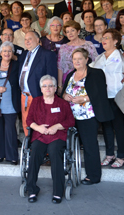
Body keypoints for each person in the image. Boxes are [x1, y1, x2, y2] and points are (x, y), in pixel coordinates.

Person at [62, 48, 113, 185]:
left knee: (90, 146)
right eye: (74, 59)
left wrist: (84, 99)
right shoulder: (70, 75)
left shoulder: (96, 73)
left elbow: (101, 94)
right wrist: (64, 96)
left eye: (80, 58)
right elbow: (63, 92)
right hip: (71, 117)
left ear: (86, 59)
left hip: (88, 116)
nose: (77, 61)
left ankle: (93, 175)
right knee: (69, 145)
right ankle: (68, 172)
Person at [90, 29, 124, 168]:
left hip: (118, 97)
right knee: (106, 127)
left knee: (118, 127)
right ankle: (110, 154)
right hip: (103, 98)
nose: (103, 40)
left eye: (107, 37)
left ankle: (121, 156)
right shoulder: (99, 58)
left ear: (116, 41)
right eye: (102, 37)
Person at [26, 75, 75, 204]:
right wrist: (38, 128)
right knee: (35, 150)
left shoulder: (62, 103)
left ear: (55, 88)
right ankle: (31, 189)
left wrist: (57, 127)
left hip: (57, 136)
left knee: (54, 151)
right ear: (41, 88)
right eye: (45, 86)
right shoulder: (36, 102)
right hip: (40, 135)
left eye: (51, 86)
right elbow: (29, 120)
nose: (48, 88)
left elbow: (70, 120)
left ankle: (58, 191)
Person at [19, 31, 58, 136]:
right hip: (24, 96)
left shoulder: (47, 54)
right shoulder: (23, 55)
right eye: (26, 39)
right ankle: (29, 148)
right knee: (26, 123)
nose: (27, 41)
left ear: (37, 40)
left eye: (30, 39)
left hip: (39, 97)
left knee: (41, 124)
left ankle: (40, 149)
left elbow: (52, 77)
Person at [57, 21, 98, 94]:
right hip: (68, 80)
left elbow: (96, 62)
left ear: (78, 31)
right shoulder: (63, 48)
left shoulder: (88, 45)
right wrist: (60, 85)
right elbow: (60, 67)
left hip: (86, 78)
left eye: (72, 30)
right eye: (67, 32)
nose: (70, 33)